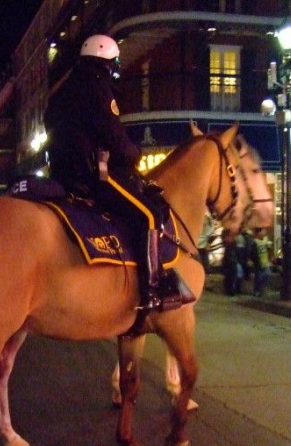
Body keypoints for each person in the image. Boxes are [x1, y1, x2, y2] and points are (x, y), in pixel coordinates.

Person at [43, 34, 194, 312]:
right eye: (114, 63)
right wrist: (133, 154)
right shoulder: (97, 86)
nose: (114, 69)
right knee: (149, 215)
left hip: (61, 174)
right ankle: (151, 289)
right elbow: (112, 133)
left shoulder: (63, 88)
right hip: (92, 174)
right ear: (107, 60)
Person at [252, 228, 272, 297]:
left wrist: (270, 258)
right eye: (263, 232)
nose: (264, 233)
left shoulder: (266, 239)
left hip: (265, 261)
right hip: (259, 262)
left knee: (267, 275)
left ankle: (262, 289)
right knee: (258, 277)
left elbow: (269, 249)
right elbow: (253, 253)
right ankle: (257, 291)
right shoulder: (255, 242)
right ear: (258, 233)